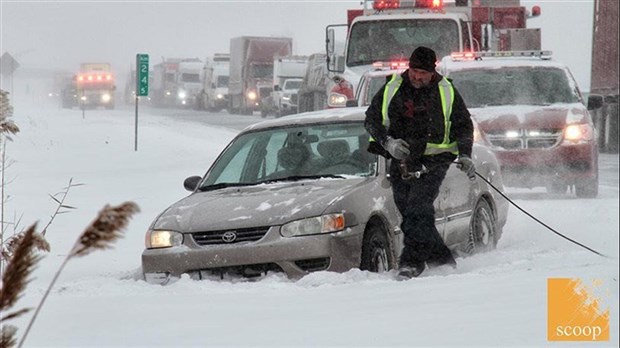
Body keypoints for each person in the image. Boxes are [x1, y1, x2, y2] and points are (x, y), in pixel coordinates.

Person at [364, 46, 475, 279]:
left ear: (432, 71)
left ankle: (411, 263)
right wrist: (388, 143)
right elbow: (372, 119)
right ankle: (441, 259)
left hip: (435, 161)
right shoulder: (392, 87)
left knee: (418, 208)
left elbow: (464, 126)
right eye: (414, 70)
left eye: (422, 73)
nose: (417, 76)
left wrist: (465, 154)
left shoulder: (446, 90)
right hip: (401, 162)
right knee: (411, 214)